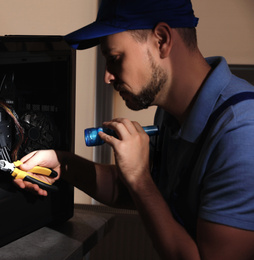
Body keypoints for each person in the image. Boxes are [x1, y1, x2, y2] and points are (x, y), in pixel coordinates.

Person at [14, 0, 254, 259]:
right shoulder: (171, 112)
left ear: (161, 40)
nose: (107, 76)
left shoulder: (241, 131)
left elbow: (142, 188)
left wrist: (140, 178)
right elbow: (133, 192)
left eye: (115, 58)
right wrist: (64, 164)